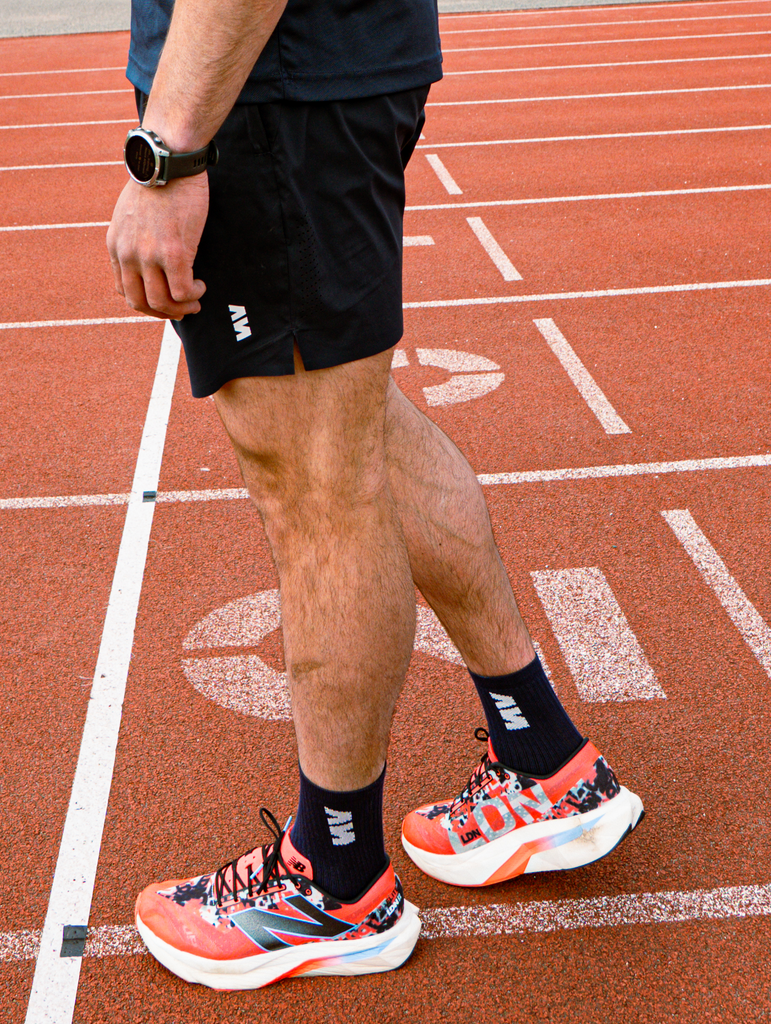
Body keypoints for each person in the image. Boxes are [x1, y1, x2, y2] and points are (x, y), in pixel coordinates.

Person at [106, 0, 644, 991]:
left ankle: (336, 882)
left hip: (267, 92)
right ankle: (544, 758)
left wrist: (168, 152)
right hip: (317, 75)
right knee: (355, 426)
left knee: (312, 478)